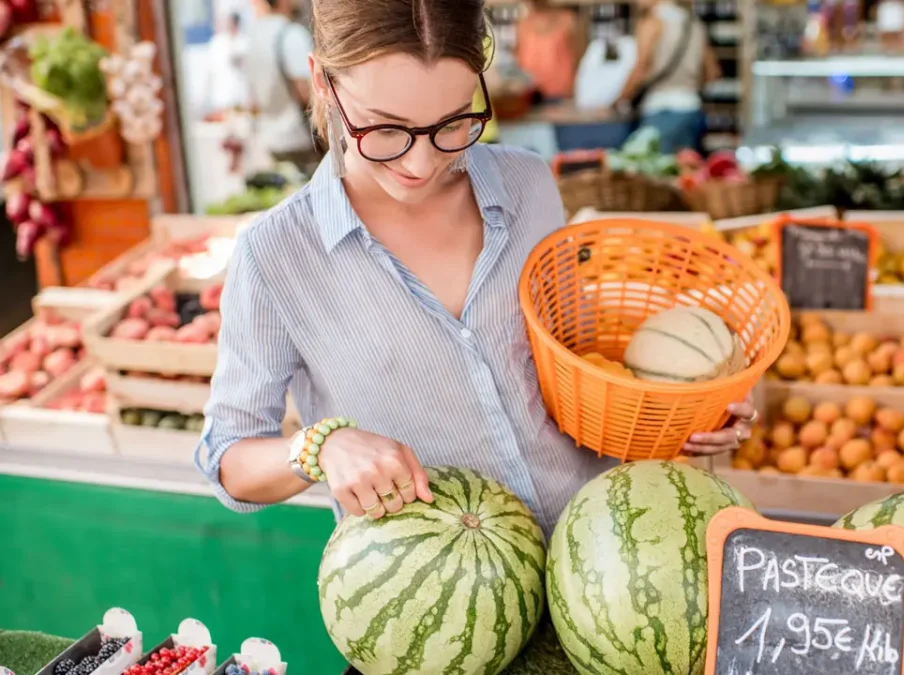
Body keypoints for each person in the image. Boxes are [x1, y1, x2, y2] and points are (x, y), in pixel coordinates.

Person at [194, 0, 758, 536]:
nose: (422, 162)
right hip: (440, 614)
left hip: (601, 555)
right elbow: (229, 460)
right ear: (323, 82)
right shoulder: (276, 255)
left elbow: (581, 370)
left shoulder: (528, 187)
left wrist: (679, 411)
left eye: (453, 122)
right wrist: (319, 447)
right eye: (384, 129)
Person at [617, 0, 719, 154]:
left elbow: (641, 68)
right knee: (685, 169)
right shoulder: (694, 24)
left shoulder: (652, 22)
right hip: (691, 109)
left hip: (660, 110)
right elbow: (713, 73)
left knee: (652, 171)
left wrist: (620, 100)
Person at [245, 0, 321, 170]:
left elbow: (252, 100)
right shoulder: (290, 34)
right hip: (299, 140)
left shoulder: (253, 38)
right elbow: (305, 91)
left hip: (270, 139)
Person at [516, 0, 583, 103]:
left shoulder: (568, 20)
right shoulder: (523, 24)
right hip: (531, 96)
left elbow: (581, 58)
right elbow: (518, 60)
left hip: (562, 95)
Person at [202, 13, 249, 116]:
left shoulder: (244, 41)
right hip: (222, 95)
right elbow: (210, 69)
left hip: (240, 96)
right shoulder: (218, 42)